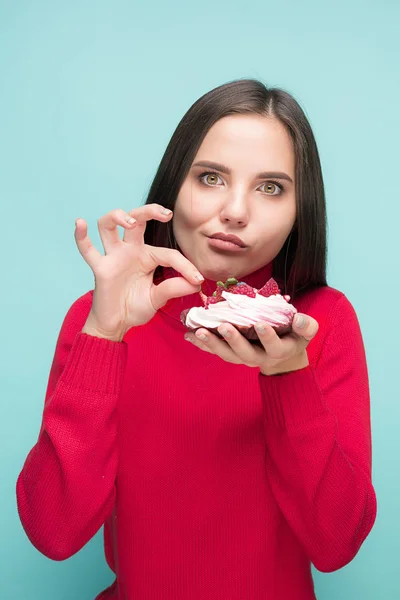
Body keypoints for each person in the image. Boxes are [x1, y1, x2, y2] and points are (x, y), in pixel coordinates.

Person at [16, 79, 377, 600]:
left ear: (302, 210)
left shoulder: (321, 322)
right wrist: (104, 334)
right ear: (172, 188)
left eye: (270, 187)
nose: (235, 211)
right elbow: (53, 532)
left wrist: (287, 376)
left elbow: (337, 544)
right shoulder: (100, 317)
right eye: (210, 177)